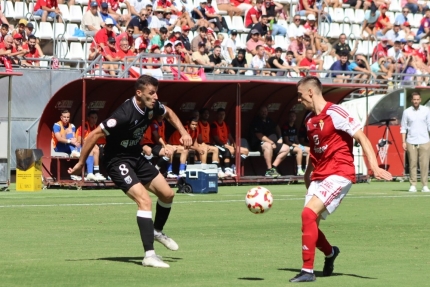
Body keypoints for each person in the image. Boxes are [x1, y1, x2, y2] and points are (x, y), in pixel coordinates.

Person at [68, 75, 193, 268]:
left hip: (136, 157)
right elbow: (93, 135)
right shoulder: (124, 114)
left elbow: (168, 112)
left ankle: (157, 231)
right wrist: (81, 162)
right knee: (145, 201)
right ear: (139, 93)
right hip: (116, 161)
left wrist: (184, 132)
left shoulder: (152, 106)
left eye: (156, 92)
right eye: (151, 93)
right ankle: (149, 255)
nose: (155, 96)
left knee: (168, 195)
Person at [289, 76, 392, 282]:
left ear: (311, 92)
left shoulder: (336, 113)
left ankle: (307, 271)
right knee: (308, 225)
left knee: (308, 215)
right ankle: (330, 253)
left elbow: (362, 137)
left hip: (339, 172)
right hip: (320, 174)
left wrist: (374, 166)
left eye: (300, 96)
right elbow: (315, 151)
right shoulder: (309, 120)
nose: (298, 100)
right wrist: (308, 174)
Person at [400, 92, 430, 193]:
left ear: (420, 100)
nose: (416, 101)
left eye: (418, 99)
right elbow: (403, 127)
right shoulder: (407, 112)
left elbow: (429, 125)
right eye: (414, 99)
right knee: (412, 164)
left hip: (424, 140)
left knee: (424, 164)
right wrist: (403, 141)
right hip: (411, 141)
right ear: (412, 100)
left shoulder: (426, 110)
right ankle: (413, 185)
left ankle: (425, 185)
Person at [249, 106, 290, 177]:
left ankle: (273, 168)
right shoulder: (256, 121)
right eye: (262, 111)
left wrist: (280, 137)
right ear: (259, 112)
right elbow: (259, 135)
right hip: (260, 144)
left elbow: (277, 126)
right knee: (267, 145)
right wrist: (271, 142)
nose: (264, 113)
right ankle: (269, 170)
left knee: (286, 148)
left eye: (265, 111)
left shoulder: (269, 120)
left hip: (273, 143)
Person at [211, 107, 249, 176]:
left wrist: (234, 145)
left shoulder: (226, 124)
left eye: (223, 115)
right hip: (218, 145)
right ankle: (224, 169)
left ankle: (234, 166)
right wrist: (226, 146)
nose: (221, 116)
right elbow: (216, 139)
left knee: (246, 151)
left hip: (227, 145)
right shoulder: (214, 125)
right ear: (217, 115)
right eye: (220, 114)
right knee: (228, 150)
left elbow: (230, 137)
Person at [76, 110, 107, 181]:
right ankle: (90, 172)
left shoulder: (95, 127)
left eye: (95, 118)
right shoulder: (85, 126)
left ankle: (96, 173)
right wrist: (89, 145)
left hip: (89, 147)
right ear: (88, 118)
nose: (94, 120)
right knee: (93, 148)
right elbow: (79, 139)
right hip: (78, 147)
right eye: (92, 118)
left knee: (97, 148)